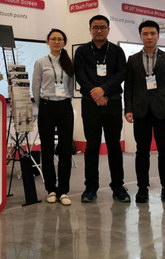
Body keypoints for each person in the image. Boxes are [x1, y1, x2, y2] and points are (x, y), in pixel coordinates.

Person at [74, 15, 130, 203]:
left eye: (102, 27)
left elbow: (122, 73)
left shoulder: (117, 51)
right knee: (92, 146)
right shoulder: (82, 51)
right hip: (90, 103)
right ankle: (90, 187)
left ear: (108, 29)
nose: (99, 30)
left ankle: (118, 187)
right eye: (95, 27)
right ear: (90, 29)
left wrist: (103, 90)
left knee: (114, 145)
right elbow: (80, 75)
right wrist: (96, 94)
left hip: (112, 102)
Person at [124, 20, 165, 204]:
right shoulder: (132, 59)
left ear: (158, 35)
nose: (149, 37)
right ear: (140, 36)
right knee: (142, 152)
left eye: (152, 33)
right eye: (145, 34)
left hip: (162, 111)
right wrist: (128, 108)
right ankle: (142, 189)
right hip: (141, 111)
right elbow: (129, 86)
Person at [32, 29, 75, 206]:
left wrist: (66, 99)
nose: (57, 42)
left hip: (65, 107)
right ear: (47, 42)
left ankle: (63, 190)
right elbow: (36, 86)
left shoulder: (69, 62)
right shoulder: (41, 62)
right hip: (47, 106)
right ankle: (51, 189)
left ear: (64, 42)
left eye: (60, 39)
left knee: (65, 149)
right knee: (47, 148)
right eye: (53, 39)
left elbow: (71, 85)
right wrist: (42, 104)